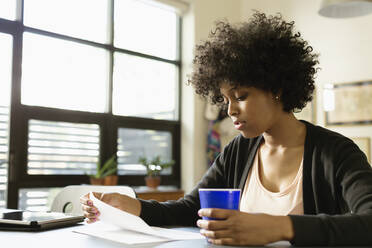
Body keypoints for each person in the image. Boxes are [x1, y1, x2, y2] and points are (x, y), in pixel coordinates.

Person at [80, 11, 372, 246]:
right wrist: (132, 206)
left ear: (277, 89)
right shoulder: (238, 150)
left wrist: (279, 227)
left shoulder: (336, 152)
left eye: (241, 96)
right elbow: (189, 208)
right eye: (225, 100)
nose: (231, 110)